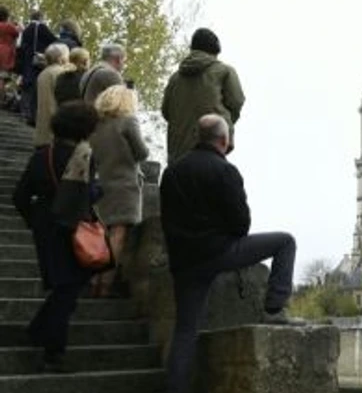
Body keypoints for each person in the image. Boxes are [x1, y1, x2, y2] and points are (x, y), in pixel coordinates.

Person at [159, 114, 301, 393]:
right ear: (224, 141)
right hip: (219, 252)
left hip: (184, 262)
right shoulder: (225, 170)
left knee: (184, 335)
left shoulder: (173, 172)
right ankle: (274, 309)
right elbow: (241, 224)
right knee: (285, 242)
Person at [11, 101, 103, 373]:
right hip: (73, 229)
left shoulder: (43, 155)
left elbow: (19, 196)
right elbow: (85, 197)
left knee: (64, 286)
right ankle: (53, 351)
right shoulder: (84, 156)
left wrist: (36, 220)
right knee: (68, 289)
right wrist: (100, 191)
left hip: (45, 228)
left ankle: (37, 331)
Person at [89, 85, 149, 297]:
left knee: (103, 233)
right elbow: (142, 152)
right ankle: (105, 282)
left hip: (103, 183)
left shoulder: (96, 126)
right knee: (118, 235)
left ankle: (94, 277)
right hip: (125, 186)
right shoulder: (128, 122)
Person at [161, 28, 245, 164]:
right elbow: (237, 102)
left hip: (178, 152)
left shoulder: (175, 79)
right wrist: (221, 125)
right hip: (213, 146)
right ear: (215, 50)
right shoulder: (225, 71)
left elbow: (166, 111)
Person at [15, 10, 58, 126]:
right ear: (40, 17)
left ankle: (24, 110)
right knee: (36, 85)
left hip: (27, 60)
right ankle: (32, 113)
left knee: (26, 83)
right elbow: (54, 40)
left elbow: (22, 45)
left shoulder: (27, 29)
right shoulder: (42, 27)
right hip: (38, 60)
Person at [34, 43, 71, 148]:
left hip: (43, 128)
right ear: (61, 58)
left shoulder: (43, 73)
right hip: (56, 128)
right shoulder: (61, 73)